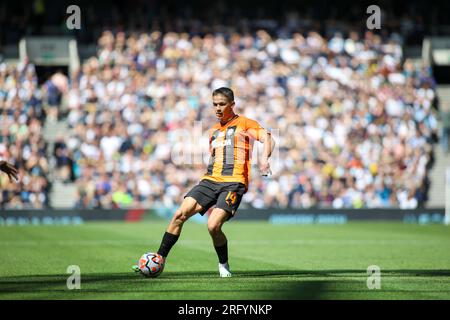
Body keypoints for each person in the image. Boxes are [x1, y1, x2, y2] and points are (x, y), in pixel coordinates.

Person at [133, 87, 275, 277]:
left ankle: (223, 264)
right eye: (215, 104)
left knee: (213, 225)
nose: (217, 108)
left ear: (232, 104)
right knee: (179, 215)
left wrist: (264, 158)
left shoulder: (245, 123)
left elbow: (268, 138)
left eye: (222, 104)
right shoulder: (214, 131)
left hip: (233, 183)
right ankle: (159, 259)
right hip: (209, 181)